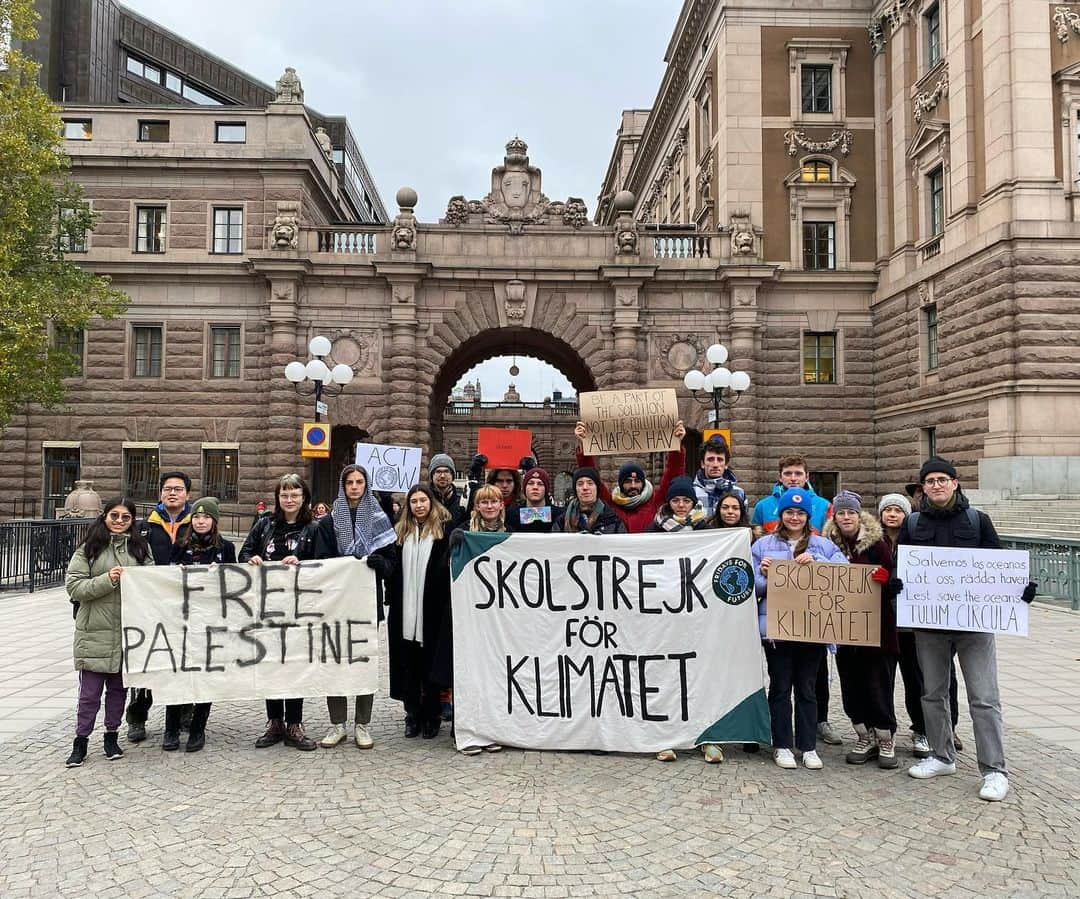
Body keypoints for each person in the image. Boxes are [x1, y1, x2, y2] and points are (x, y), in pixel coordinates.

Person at [900, 458, 1037, 802]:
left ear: (955, 483)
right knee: (932, 693)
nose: (936, 485)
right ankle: (941, 755)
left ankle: (994, 770)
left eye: (942, 479)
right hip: (929, 624)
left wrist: (1021, 590)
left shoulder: (978, 521)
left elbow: (999, 565)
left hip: (974, 626)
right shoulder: (913, 523)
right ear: (923, 487)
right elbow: (901, 567)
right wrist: (897, 588)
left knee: (984, 698)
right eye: (930, 481)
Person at [752, 488, 847, 770]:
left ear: (808, 516)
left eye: (800, 513)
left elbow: (843, 572)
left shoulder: (822, 545)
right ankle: (781, 744)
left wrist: (818, 563)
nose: (795, 517)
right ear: (781, 515)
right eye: (789, 512)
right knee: (780, 686)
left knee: (807, 687)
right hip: (776, 629)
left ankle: (807, 746)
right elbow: (752, 586)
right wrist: (767, 576)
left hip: (812, 627)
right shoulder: (762, 546)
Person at [64, 497, 154, 767]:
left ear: (132, 520)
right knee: (89, 694)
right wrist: (108, 580)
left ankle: (111, 736)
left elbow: (152, 582)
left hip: (127, 633)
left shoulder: (140, 548)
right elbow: (75, 587)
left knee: (118, 692)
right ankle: (81, 742)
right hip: (95, 631)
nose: (119, 521)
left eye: (125, 517)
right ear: (104, 516)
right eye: (114, 515)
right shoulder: (89, 548)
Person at [314, 465, 396, 750]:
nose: (354, 486)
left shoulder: (378, 518)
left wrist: (381, 564)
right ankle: (337, 723)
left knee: (364, 661)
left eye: (360, 481)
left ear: (366, 485)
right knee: (336, 661)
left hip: (366, 603)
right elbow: (321, 561)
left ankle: (363, 723)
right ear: (342, 485)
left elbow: (391, 562)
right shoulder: (329, 521)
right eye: (349, 482)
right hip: (336, 605)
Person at [238, 473, 320, 751]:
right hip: (267, 608)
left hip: (300, 609)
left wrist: (303, 561)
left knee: (295, 662)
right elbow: (244, 554)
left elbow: (325, 563)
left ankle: (295, 724)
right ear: (278, 498)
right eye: (284, 495)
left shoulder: (314, 528)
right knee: (271, 663)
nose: (289, 499)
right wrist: (253, 558)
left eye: (295, 494)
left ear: (304, 497)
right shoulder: (264, 526)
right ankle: (274, 722)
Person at [644, 476, 720, 763]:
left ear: (693, 503)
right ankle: (664, 736)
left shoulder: (705, 529)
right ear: (669, 502)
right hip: (663, 613)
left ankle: (706, 738)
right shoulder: (655, 528)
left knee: (698, 675)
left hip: (696, 613)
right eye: (676, 500)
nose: (680, 505)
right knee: (664, 674)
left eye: (686, 501)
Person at [822, 491, 899, 769]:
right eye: (841, 513)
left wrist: (886, 578)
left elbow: (893, 578)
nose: (846, 517)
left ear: (858, 515)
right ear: (835, 516)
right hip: (844, 630)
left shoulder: (877, 544)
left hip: (877, 629)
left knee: (878, 685)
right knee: (851, 684)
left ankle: (885, 736)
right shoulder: (826, 545)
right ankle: (863, 735)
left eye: (850, 513)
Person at [163, 496, 235, 752]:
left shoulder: (225, 548)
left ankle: (198, 727)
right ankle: (170, 728)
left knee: (207, 674)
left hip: (211, 622)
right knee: (178, 672)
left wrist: (222, 572)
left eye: (206, 517)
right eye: (196, 516)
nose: (201, 521)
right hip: (182, 620)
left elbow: (235, 584)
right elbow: (167, 580)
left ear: (214, 520)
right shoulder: (180, 545)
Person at [126, 470, 193, 743]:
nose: (172, 492)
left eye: (178, 488)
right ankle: (137, 717)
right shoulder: (144, 527)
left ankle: (185, 713)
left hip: (187, 606)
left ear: (187, 494)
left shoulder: (197, 523)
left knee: (185, 660)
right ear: (160, 493)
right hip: (150, 606)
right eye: (168, 488)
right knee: (146, 660)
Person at [387, 484, 453, 740]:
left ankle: (432, 715)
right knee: (409, 665)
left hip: (432, 609)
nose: (419, 505)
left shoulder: (443, 532)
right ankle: (412, 714)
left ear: (431, 502)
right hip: (405, 608)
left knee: (431, 666)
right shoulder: (400, 533)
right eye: (413, 501)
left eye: (423, 500)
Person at [449, 483, 510, 755]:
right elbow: (448, 571)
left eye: (493, 502)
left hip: (501, 619)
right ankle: (468, 729)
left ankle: (493, 729)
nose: (488, 506)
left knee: (496, 674)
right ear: (476, 506)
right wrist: (454, 546)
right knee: (470, 671)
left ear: (501, 506)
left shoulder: (512, 536)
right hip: (472, 617)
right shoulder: (464, 532)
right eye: (483, 502)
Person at [877, 492, 933, 760]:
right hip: (884, 622)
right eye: (887, 510)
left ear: (906, 514)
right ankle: (886, 731)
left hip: (912, 625)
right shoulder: (874, 542)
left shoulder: (919, 540)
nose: (892, 514)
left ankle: (921, 730)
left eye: (897, 510)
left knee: (916, 681)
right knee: (882, 682)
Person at [572, 420, 686, 533]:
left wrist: (677, 446)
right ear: (621, 484)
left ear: (643, 482)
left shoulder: (655, 502)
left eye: (637, 481)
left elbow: (673, 474)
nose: (633, 485)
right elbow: (591, 474)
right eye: (628, 481)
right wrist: (584, 444)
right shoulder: (611, 503)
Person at [691, 437, 746, 520]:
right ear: (702, 463)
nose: (715, 464)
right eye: (710, 459)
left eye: (720, 460)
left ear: (726, 464)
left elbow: (744, 524)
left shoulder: (739, 493)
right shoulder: (692, 493)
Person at [560, 467, 627, 535]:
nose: (585, 488)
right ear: (575, 489)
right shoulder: (562, 520)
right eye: (580, 484)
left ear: (597, 488)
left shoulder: (613, 519)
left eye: (590, 483)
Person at [507, 466, 563, 533]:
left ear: (546, 489)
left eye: (540, 484)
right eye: (531, 483)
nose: (535, 487)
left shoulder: (559, 515)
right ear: (524, 488)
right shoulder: (511, 515)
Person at [428, 453, 470, 530]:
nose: (442, 476)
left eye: (446, 471)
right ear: (432, 475)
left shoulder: (462, 502)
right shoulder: (425, 500)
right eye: (438, 472)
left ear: (452, 475)